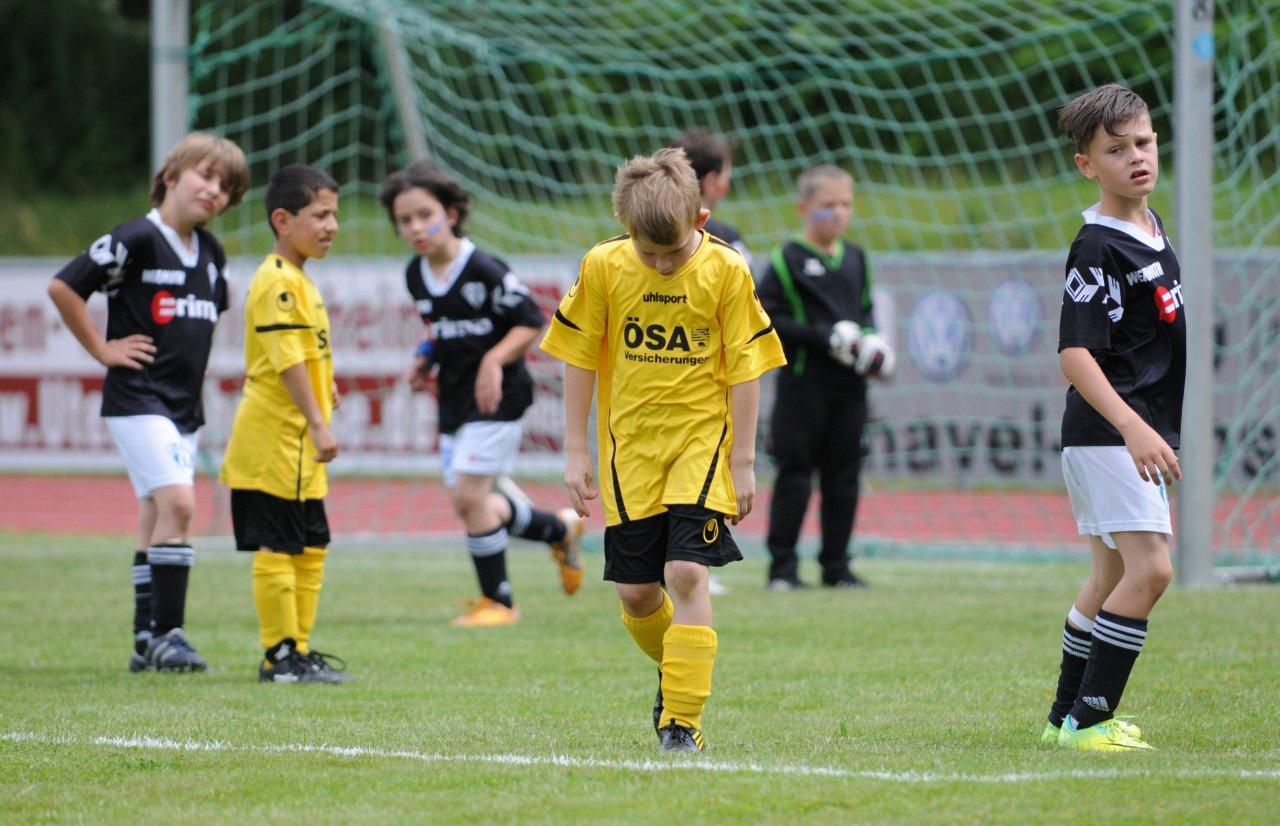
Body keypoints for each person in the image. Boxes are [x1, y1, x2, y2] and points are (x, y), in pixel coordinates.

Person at [540, 147, 785, 753]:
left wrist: (743, 461)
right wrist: (576, 451)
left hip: (702, 441)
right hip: (629, 450)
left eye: (671, 251)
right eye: (647, 252)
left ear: (700, 220)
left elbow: (747, 369)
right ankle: (678, 667)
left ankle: (681, 721)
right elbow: (578, 356)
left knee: (686, 572)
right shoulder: (603, 265)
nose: (661, 263)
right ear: (624, 228)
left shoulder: (726, 269)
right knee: (636, 594)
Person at [48, 132, 249, 672]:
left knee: (156, 514)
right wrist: (102, 349)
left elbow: (203, 323)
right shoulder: (136, 237)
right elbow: (64, 287)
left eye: (226, 186)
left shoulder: (212, 253)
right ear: (171, 176)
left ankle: (145, 641)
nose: (214, 190)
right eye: (205, 175)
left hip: (183, 403)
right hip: (138, 395)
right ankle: (169, 634)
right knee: (181, 505)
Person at [379, 161, 585, 628]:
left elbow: (531, 320)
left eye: (425, 215)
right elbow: (442, 329)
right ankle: (558, 528)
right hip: (454, 400)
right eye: (405, 220)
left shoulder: (484, 268)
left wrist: (494, 360)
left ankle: (500, 602)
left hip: (498, 398)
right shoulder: (416, 275)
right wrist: (425, 358)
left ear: (451, 214)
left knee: (470, 496)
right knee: (473, 503)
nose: (415, 227)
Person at [1042, 84, 1183, 752]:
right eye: (1117, 149)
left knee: (1108, 576)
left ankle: (1061, 720)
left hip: (1120, 434)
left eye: (1144, 142)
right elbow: (1075, 354)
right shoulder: (1098, 245)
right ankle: (1091, 722)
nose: (1137, 157)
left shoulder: (1151, 230)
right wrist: (1132, 427)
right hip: (1110, 435)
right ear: (1087, 164)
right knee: (1151, 570)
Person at [221, 165, 352, 683]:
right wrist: (318, 421)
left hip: (296, 447)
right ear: (283, 220)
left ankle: (300, 649)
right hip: (275, 440)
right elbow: (287, 361)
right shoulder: (276, 280)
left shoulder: (299, 278)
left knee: (312, 546)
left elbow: (306, 354)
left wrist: (326, 386)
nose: (331, 225)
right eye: (320, 215)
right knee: (278, 547)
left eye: (334, 214)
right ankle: (278, 656)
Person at [756, 165, 894, 592]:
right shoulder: (786, 260)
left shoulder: (855, 258)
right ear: (804, 208)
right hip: (802, 387)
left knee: (844, 477)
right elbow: (766, 320)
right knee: (795, 475)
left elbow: (865, 312)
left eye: (845, 204)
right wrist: (824, 336)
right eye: (827, 205)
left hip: (850, 389)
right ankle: (782, 569)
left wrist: (872, 344)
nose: (838, 213)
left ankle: (837, 568)